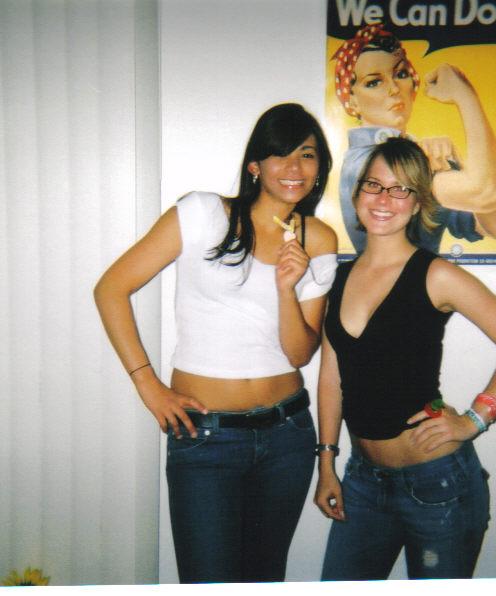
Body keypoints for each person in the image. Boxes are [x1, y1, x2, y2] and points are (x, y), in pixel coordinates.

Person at [94, 103, 338, 583]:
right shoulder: (203, 213)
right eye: (280, 154)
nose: (294, 167)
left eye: (307, 155)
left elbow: (300, 353)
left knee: (264, 579)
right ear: (256, 165)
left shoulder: (319, 240)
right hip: (206, 436)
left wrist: (286, 289)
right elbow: (111, 289)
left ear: (319, 169)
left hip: (287, 435)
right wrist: (148, 386)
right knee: (207, 581)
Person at [314, 137, 496, 580]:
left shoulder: (437, 275)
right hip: (362, 482)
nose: (384, 199)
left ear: (419, 202)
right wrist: (326, 462)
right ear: (357, 193)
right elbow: (330, 376)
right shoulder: (339, 277)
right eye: (374, 185)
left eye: (401, 189)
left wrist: (475, 420)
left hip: (438, 485)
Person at [333, 23, 496, 255]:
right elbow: (487, 193)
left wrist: (457, 165)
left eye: (400, 74)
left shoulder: (418, 156)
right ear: (352, 101)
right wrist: (465, 96)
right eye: (374, 82)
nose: (394, 88)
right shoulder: (367, 162)